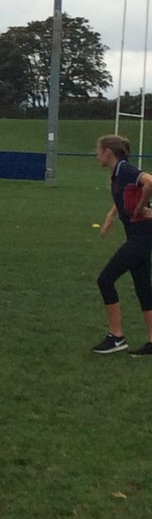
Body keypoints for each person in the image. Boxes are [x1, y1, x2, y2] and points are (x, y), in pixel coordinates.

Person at [92, 133, 152, 354]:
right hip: (138, 236)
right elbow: (125, 196)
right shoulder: (117, 174)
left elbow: (150, 182)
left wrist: (141, 209)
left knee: (105, 280)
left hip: (142, 238)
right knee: (143, 287)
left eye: (99, 151)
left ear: (108, 152)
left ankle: (116, 337)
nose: (97, 155)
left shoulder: (125, 170)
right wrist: (111, 215)